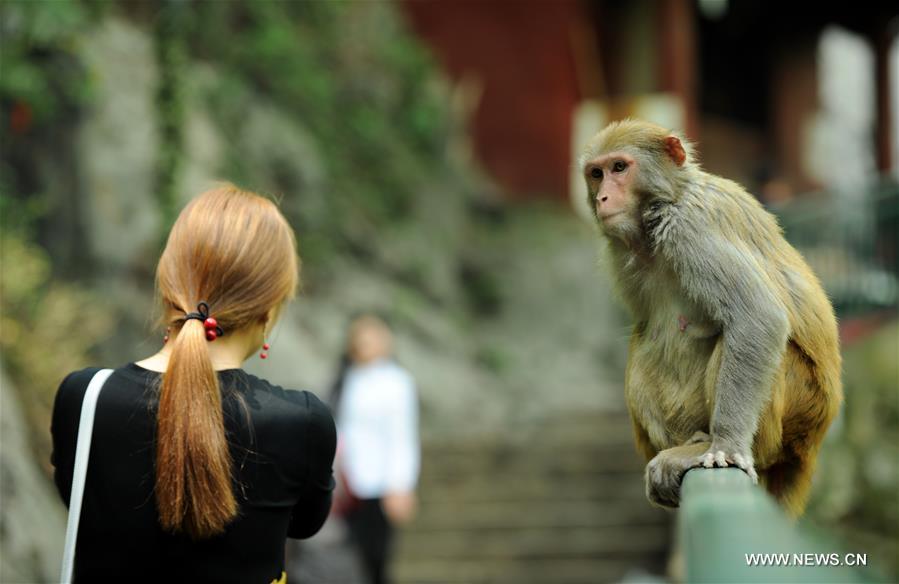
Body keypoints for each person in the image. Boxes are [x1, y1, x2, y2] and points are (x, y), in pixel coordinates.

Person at [50, 185, 336, 583]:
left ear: (168, 287)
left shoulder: (85, 399)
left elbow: (76, 500)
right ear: (269, 309)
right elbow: (305, 523)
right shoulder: (301, 423)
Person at [332, 315, 420, 584]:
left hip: (380, 483)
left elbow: (402, 435)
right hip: (348, 483)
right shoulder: (345, 380)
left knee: (376, 558)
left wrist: (401, 484)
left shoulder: (397, 382)